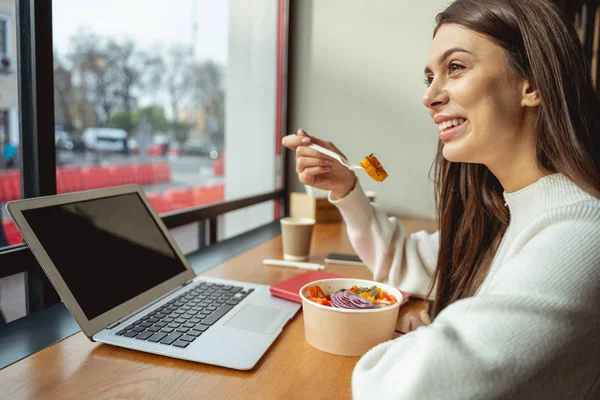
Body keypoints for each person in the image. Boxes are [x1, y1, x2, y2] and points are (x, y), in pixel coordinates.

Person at [283, 0, 600, 398]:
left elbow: (417, 386)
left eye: (455, 67)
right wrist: (347, 188)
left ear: (532, 84)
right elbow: (407, 261)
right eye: (429, 76)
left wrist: (426, 337)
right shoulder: (506, 213)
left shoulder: (581, 231)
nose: (429, 96)